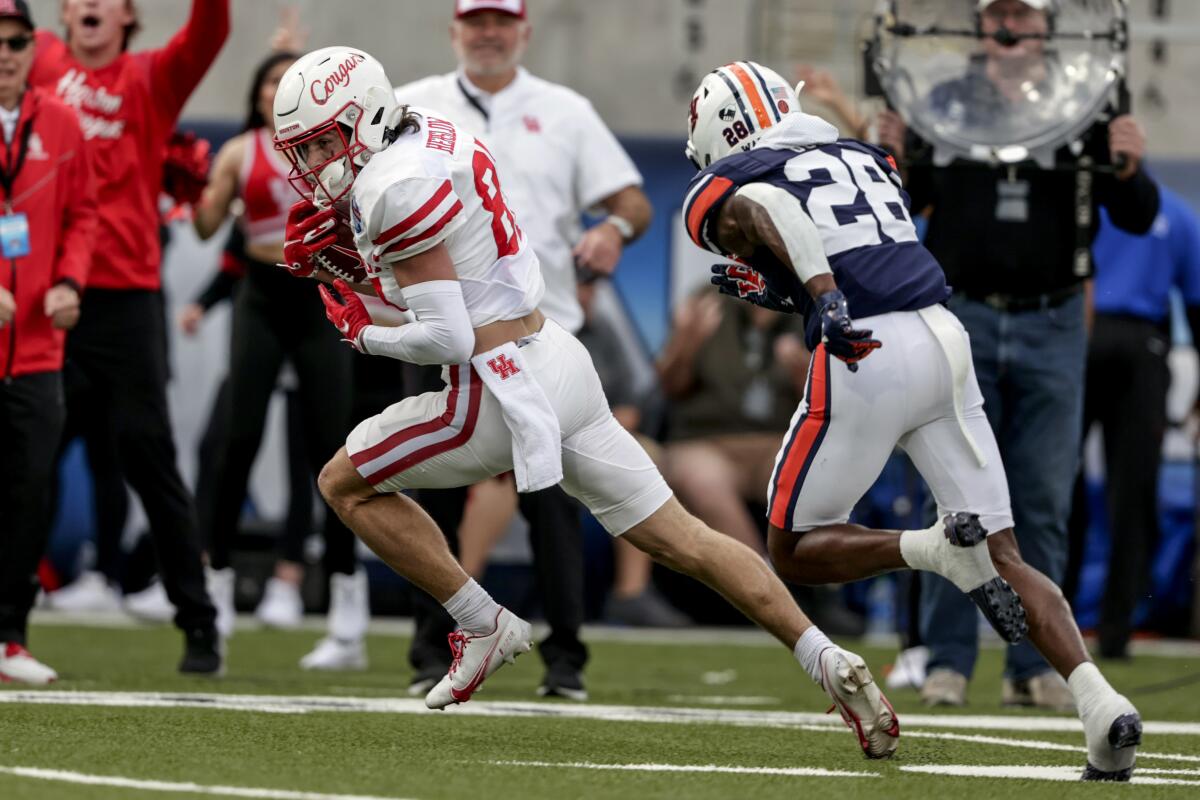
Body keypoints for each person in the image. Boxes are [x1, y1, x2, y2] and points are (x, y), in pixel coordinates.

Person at [272, 45, 898, 760]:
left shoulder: (391, 187)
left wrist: (361, 331)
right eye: (307, 147)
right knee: (684, 540)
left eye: (324, 141)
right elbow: (460, 274)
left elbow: (446, 337)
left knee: (342, 483)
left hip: (495, 387)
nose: (316, 162)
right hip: (558, 357)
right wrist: (374, 279)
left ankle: (481, 622)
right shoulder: (429, 129)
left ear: (367, 116)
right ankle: (826, 658)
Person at [683, 58, 1141, 781]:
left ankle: (929, 549)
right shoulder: (862, 155)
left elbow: (777, 215)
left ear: (726, 131)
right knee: (1006, 551)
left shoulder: (736, 179)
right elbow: (860, 245)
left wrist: (822, 294)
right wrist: (794, 290)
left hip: (865, 348)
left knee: (794, 548)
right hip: (943, 336)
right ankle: (1100, 706)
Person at [875, 0, 1160, 710]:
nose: (1009, 30)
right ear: (978, 26)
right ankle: (946, 659)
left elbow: (1139, 213)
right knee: (957, 494)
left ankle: (1035, 667)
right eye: (997, 15)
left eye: (1023, 17)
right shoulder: (940, 105)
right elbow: (901, 201)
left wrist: (1130, 164)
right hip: (961, 313)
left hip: (1053, 317)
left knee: (1041, 495)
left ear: (1048, 28)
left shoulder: (1084, 103)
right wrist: (888, 150)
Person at [390, 0, 653, 699]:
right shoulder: (412, 106)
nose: (487, 33)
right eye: (475, 20)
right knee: (432, 493)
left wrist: (612, 233)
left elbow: (633, 201)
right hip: (443, 332)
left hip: (540, 334)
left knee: (554, 498)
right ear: (453, 30)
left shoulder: (565, 110)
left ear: (524, 31)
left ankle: (565, 659)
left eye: (500, 21)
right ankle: (429, 650)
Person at [28, 0, 230, 673]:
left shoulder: (151, 78)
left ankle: (199, 622)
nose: (89, 5)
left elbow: (211, 31)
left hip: (125, 301)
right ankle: (9, 625)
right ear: (61, 13)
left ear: (127, 16)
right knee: (25, 457)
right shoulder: (38, 64)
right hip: (46, 296)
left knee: (150, 458)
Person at [191, 49, 367, 670]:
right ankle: (213, 594)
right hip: (262, 295)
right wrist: (197, 188)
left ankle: (348, 608)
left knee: (335, 445)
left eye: (286, 82)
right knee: (238, 435)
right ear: (257, 91)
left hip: (320, 290)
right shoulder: (242, 150)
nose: (275, 91)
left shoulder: (331, 150)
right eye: (267, 80)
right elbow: (208, 227)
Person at [0, 0, 97, 685]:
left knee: (30, 492)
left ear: (34, 47)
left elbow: (84, 215)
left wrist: (68, 281)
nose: (4, 52)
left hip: (36, 348)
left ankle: (9, 638)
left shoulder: (61, 122)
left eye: (15, 41)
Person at [1070, 185, 1200, 659]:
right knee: (1129, 490)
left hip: (1085, 337)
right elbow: (1196, 304)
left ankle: (1056, 625)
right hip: (1139, 345)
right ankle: (1115, 630)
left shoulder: (1085, 196)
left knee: (1068, 485)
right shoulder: (1177, 212)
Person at [656, 290, 807, 557]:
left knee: (811, 474)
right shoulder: (707, 300)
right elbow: (669, 387)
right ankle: (761, 583)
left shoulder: (811, 309)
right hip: (706, 444)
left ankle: (816, 582)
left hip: (776, 444)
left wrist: (804, 372)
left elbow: (829, 408)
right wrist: (687, 343)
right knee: (704, 481)